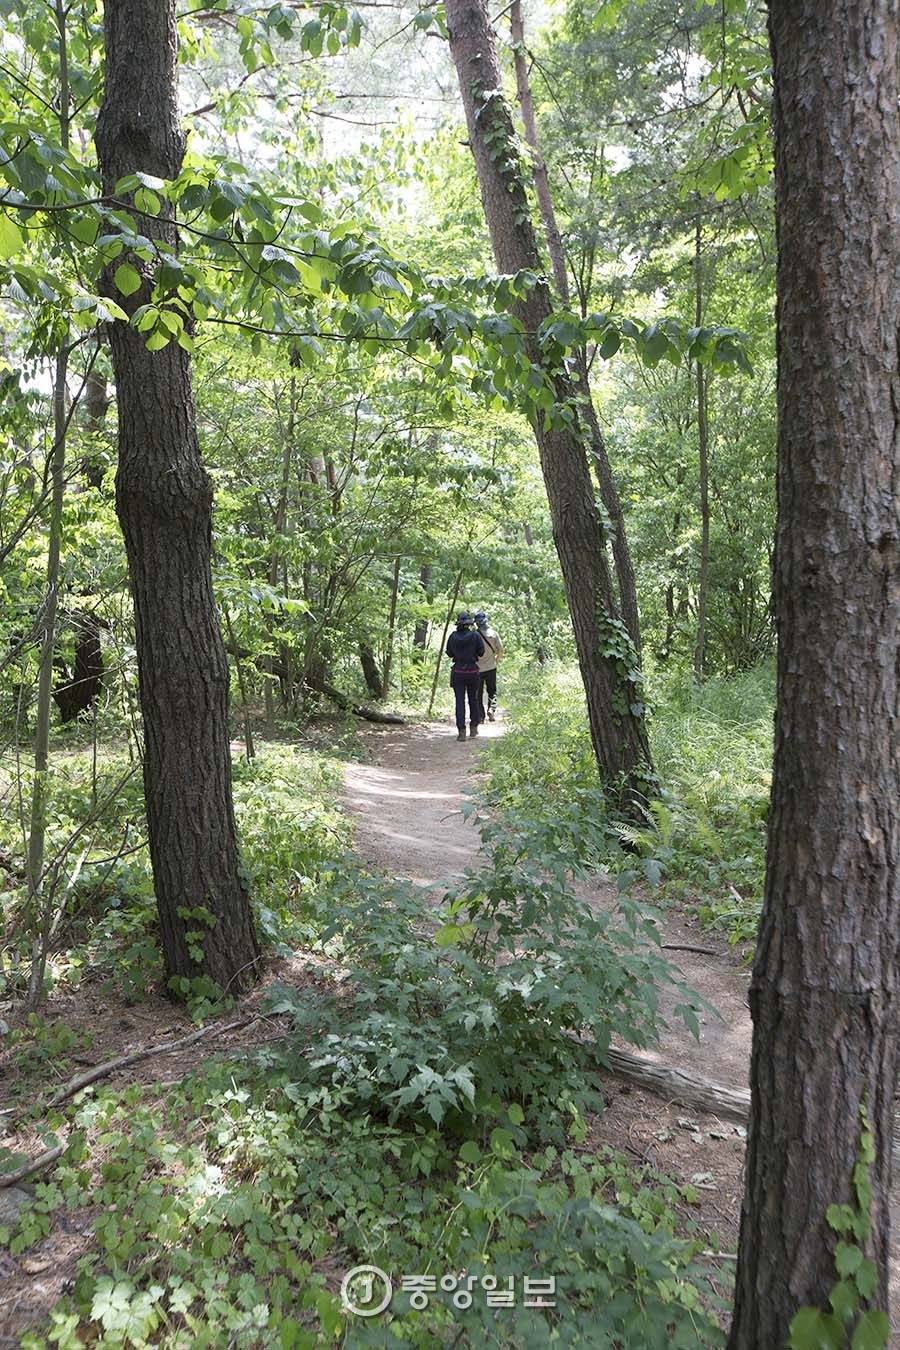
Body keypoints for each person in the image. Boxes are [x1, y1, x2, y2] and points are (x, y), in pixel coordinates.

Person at [446, 612, 485, 741]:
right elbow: (481, 652)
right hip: (473, 672)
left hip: (458, 672)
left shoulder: (452, 636)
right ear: (469, 623)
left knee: (459, 702)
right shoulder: (475, 635)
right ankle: (474, 727)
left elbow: (449, 653)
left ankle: (461, 731)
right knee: (473, 700)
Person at [474, 610, 503, 723]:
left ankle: (481, 716)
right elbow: (500, 650)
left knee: (478, 693)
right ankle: (491, 709)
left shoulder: (474, 635)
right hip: (491, 667)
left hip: (477, 668)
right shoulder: (494, 634)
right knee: (493, 691)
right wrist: (497, 660)